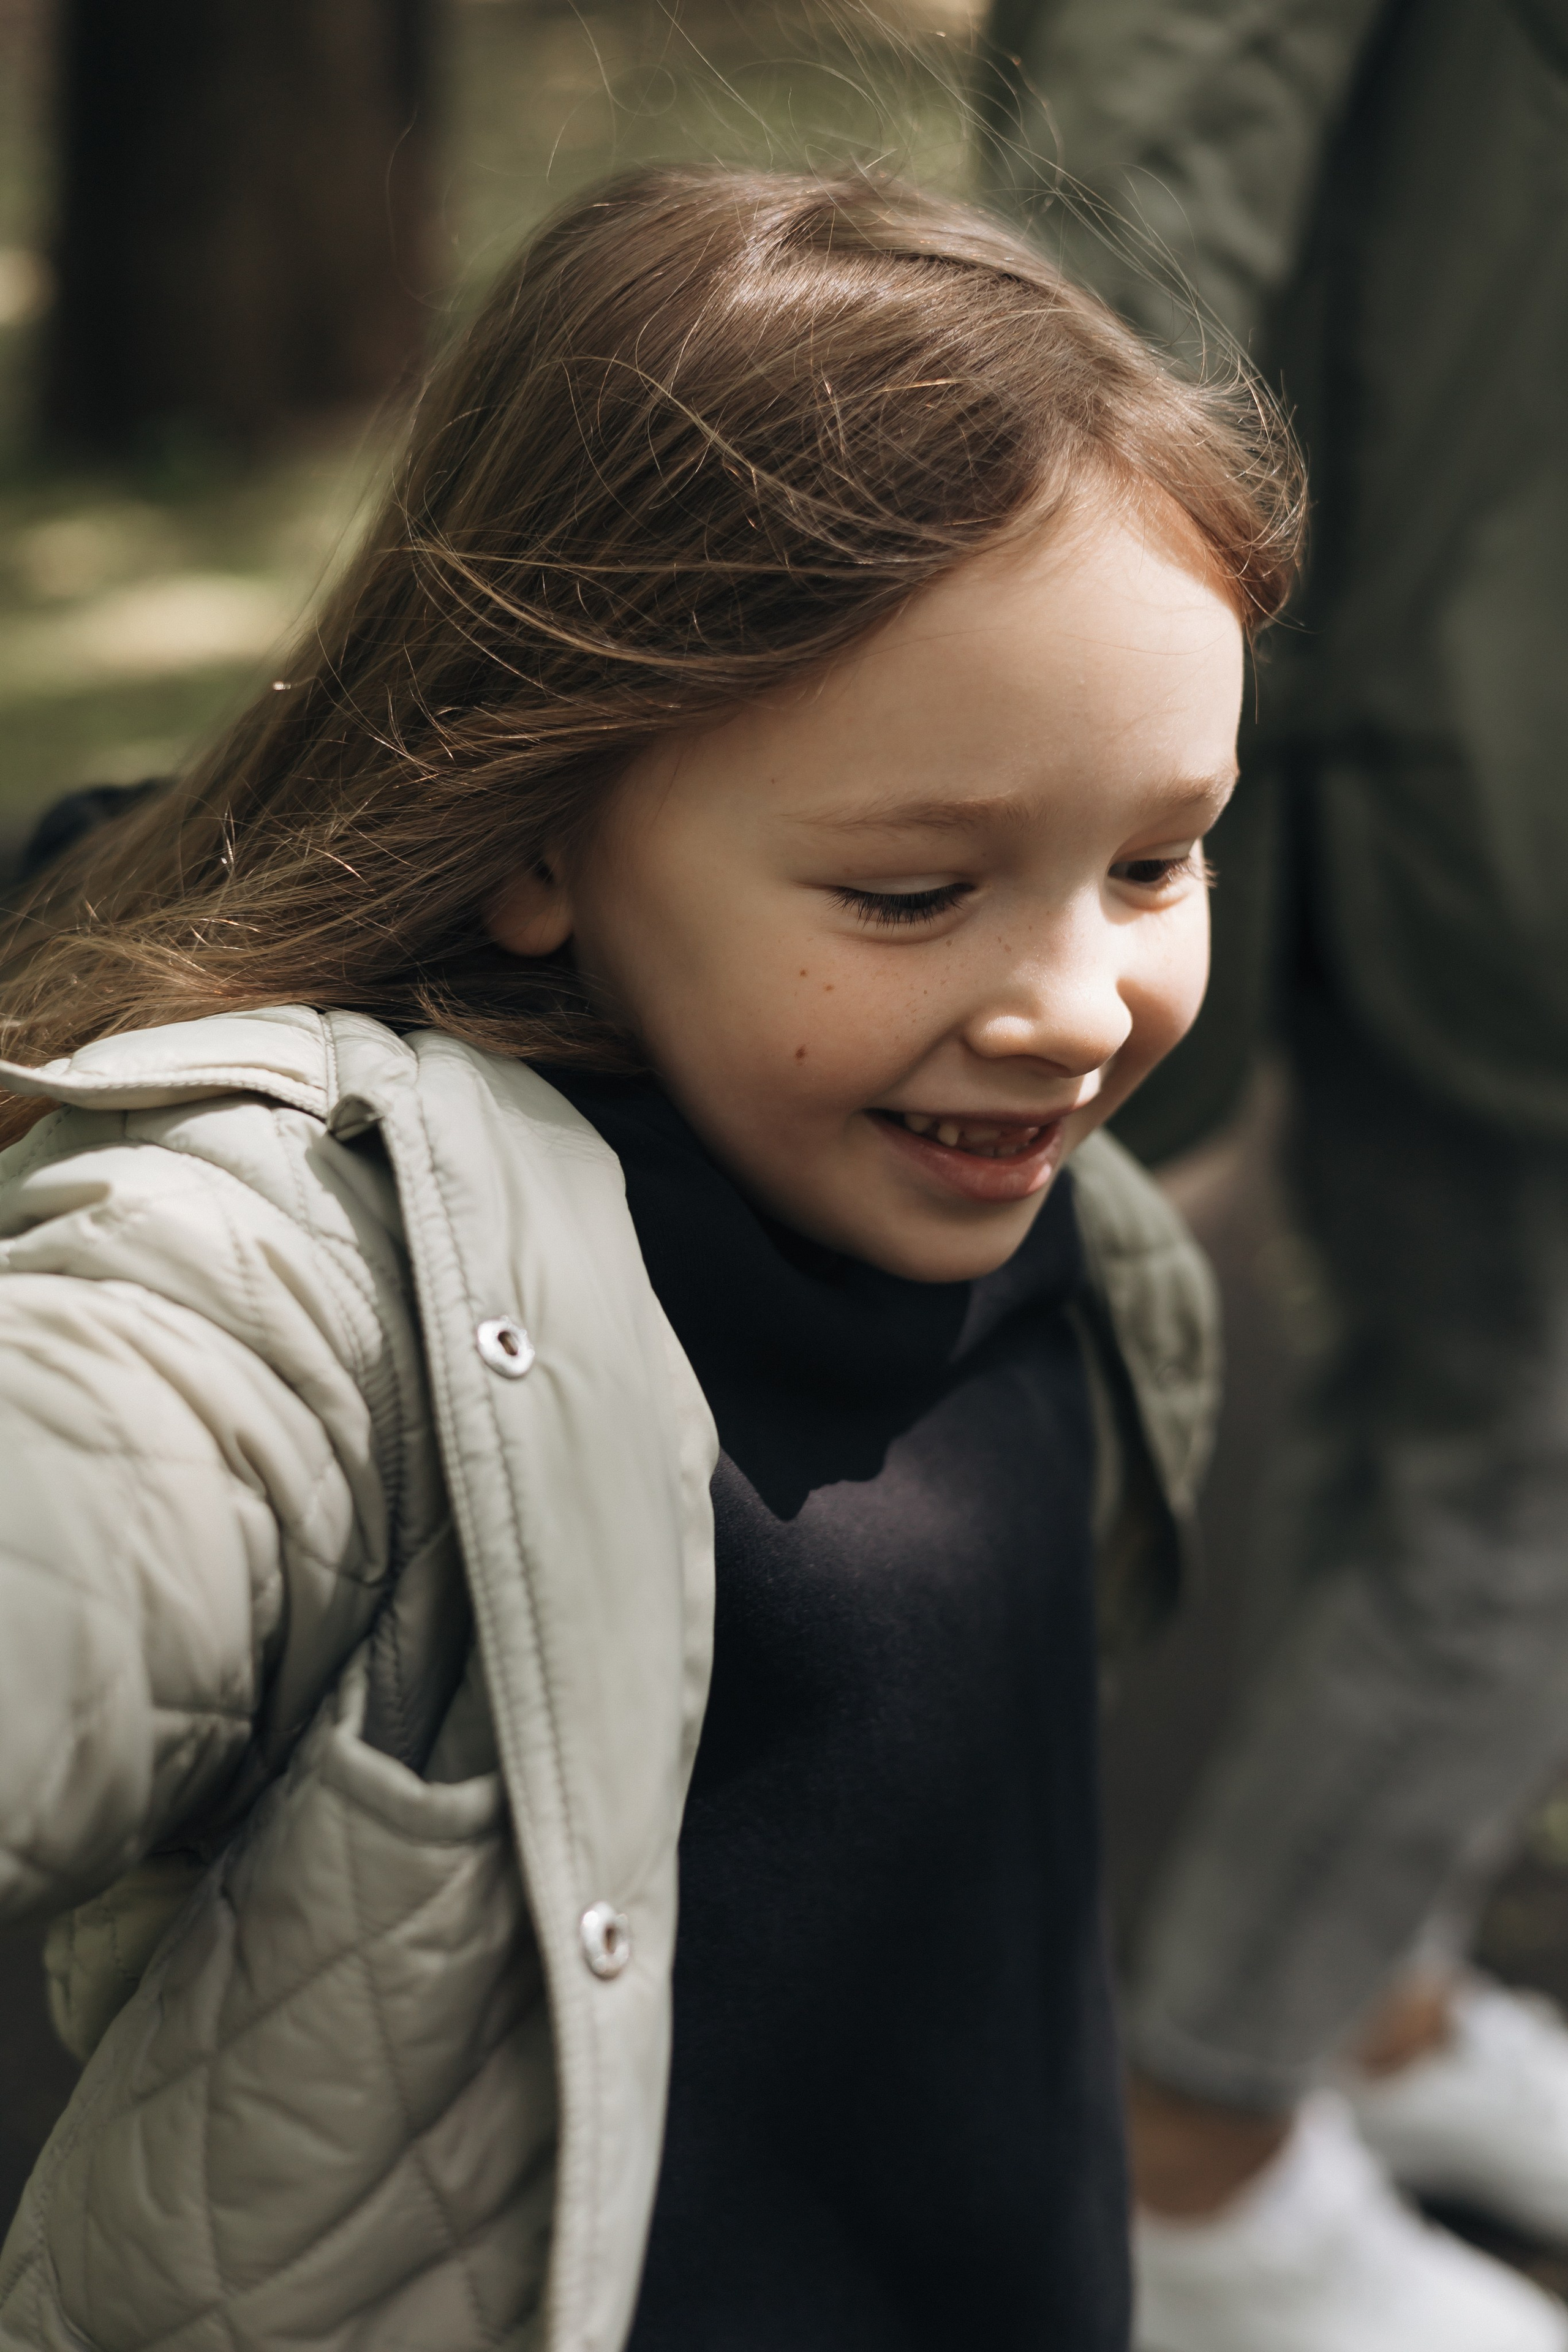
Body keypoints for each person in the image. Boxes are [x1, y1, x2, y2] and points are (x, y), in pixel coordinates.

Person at [0, 166, 1291, 2351]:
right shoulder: (336, 1275)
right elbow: (102, 1487)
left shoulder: (1072, 1234)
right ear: (538, 834)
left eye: (1159, 860)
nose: (1081, 1008)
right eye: (912, 894)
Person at [986, 2, 1568, 2347]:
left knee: (1446, 1413)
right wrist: (1083, 719)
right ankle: (1195, 2159)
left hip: (1479, 692)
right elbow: (1140, 187)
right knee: (1522, 1479)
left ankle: (1361, 2011)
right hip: (1467, 737)